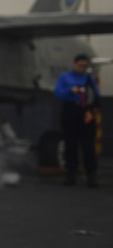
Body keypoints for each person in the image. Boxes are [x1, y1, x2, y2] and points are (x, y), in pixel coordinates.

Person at [54, 54, 102, 187]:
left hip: (86, 112)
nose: (82, 68)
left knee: (88, 145)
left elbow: (96, 95)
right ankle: (71, 175)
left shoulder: (89, 79)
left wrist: (93, 107)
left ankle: (91, 175)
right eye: (80, 65)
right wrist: (71, 90)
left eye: (85, 66)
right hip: (70, 110)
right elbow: (58, 93)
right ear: (74, 64)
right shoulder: (65, 77)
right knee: (70, 144)